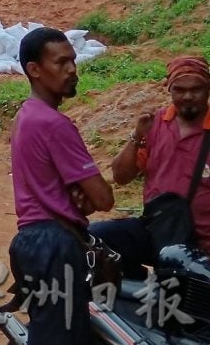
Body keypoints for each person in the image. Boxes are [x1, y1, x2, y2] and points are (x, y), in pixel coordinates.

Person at [5, 27, 114, 344]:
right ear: (34, 69)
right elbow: (103, 198)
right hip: (54, 244)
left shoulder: (26, 116)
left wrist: (79, 197)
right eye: (61, 63)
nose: (71, 71)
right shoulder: (55, 125)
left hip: (32, 241)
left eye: (73, 62)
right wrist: (88, 196)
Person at [90, 55, 210, 279]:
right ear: (169, 89)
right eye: (179, 90)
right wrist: (136, 137)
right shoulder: (155, 124)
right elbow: (121, 176)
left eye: (197, 89)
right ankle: (139, 289)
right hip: (156, 229)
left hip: (200, 244)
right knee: (95, 237)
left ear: (208, 88)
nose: (188, 97)